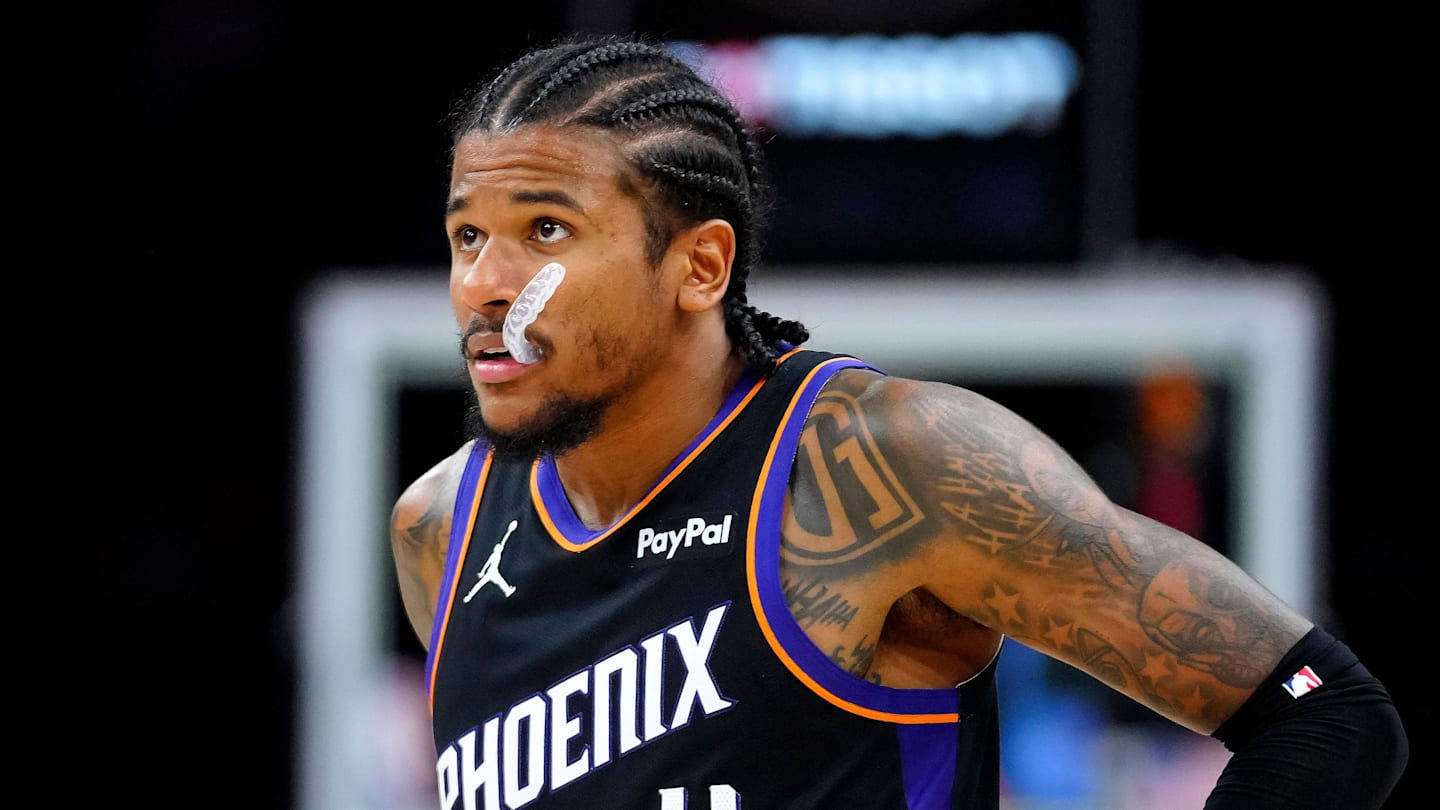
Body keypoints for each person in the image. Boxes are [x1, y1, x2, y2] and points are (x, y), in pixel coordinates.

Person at [389, 32, 1408, 810]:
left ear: (699, 266)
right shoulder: (441, 530)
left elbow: (1323, 713)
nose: (486, 284)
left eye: (546, 230)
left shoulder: (884, 464)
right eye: (467, 236)